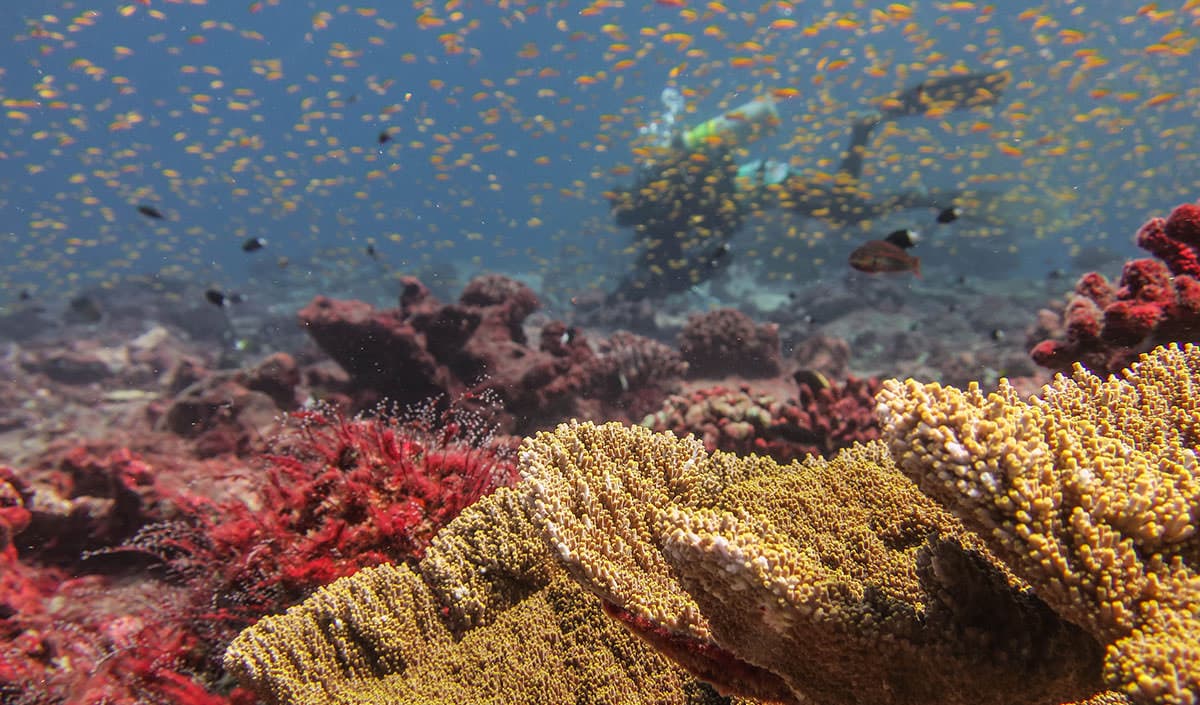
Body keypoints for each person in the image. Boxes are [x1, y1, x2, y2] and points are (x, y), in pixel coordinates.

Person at [605, 71, 1010, 301]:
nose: (632, 226)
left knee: (848, 209)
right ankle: (917, 192)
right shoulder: (665, 201)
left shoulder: (668, 198)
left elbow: (678, 259)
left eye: (629, 218)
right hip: (764, 185)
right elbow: (675, 263)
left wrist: (703, 261)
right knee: (849, 209)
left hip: (770, 184)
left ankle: (868, 129)